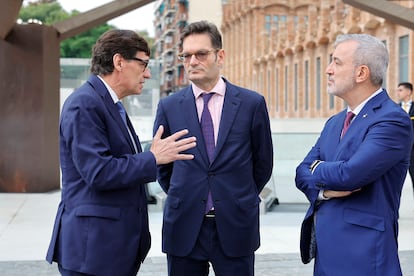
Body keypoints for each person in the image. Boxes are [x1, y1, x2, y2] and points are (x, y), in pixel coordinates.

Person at [46, 29, 197, 276]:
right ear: (119, 62)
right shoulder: (84, 103)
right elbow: (99, 172)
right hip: (93, 253)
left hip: (110, 250)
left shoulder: (110, 104)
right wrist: (153, 158)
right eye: (143, 64)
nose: (147, 74)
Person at [153, 21, 273, 275]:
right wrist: (187, 194)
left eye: (201, 54)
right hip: (184, 226)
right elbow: (164, 168)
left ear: (220, 56)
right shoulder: (169, 107)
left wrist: (239, 198)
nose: (192, 61)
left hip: (236, 224)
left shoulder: (251, 104)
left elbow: (263, 164)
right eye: (186, 55)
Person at [295, 33, 412, 275]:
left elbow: (350, 174)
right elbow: (300, 173)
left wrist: (317, 168)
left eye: (336, 62)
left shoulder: (391, 120)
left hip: (364, 254)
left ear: (361, 73)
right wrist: (324, 192)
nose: (328, 70)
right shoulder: (335, 122)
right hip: (326, 254)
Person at [397, 81, 414, 195]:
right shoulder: (395, 109)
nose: (397, 93)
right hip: (397, 152)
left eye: (400, 90)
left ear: (409, 92)